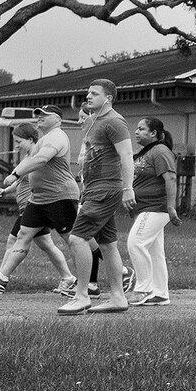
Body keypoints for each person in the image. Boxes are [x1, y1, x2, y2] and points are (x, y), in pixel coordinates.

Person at [54, 80, 137, 316]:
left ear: (108, 98)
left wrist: (128, 188)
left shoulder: (114, 122)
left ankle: (82, 296)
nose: (88, 96)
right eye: (88, 92)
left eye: (94, 93)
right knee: (107, 244)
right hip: (93, 189)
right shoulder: (92, 121)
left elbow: (127, 155)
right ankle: (118, 298)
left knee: (77, 239)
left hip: (106, 189)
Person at [0, 120, 75, 295]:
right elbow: (20, 181)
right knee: (45, 245)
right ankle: (69, 279)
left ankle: (1, 277)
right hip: (33, 207)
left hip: (38, 205)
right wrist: (5, 191)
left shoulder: (38, 158)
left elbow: (26, 176)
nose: (17, 146)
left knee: (24, 240)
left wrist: (14, 178)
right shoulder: (28, 159)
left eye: (19, 142)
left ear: (30, 139)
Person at [125, 117, 180, 306]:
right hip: (145, 208)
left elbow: (170, 179)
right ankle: (160, 293)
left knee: (136, 243)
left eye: (141, 129)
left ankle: (143, 289)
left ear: (154, 133)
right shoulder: (147, 152)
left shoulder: (160, 151)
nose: (136, 132)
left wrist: (171, 207)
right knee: (155, 252)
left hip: (156, 207)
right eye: (137, 128)